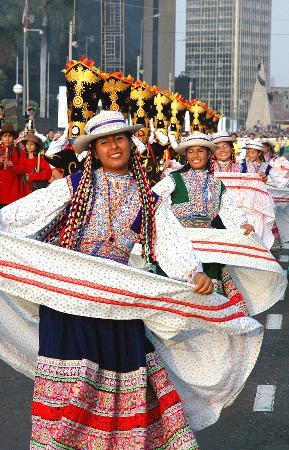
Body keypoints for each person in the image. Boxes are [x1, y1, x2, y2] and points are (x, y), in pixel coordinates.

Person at [153, 132, 254, 303]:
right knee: (177, 297)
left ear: (209, 154)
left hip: (208, 246)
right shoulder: (174, 178)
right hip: (179, 244)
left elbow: (230, 209)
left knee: (207, 297)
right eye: (191, 152)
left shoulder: (216, 184)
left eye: (200, 151)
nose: (195, 155)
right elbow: (152, 197)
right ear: (186, 155)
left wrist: (243, 224)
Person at [0, 123, 26, 208]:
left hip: (14, 194)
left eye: (10, 136)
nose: (7, 139)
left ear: (14, 138)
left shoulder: (20, 152)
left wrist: (12, 165)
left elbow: (23, 171)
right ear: (1, 138)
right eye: (5, 136)